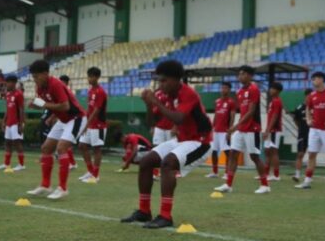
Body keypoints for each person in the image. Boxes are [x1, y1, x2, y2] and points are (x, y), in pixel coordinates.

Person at [121, 60, 212, 229]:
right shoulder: (163, 95)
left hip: (200, 142)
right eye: (159, 81)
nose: (160, 84)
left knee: (168, 163)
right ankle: (144, 211)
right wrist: (149, 105)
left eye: (164, 81)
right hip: (181, 140)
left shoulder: (188, 94)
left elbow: (178, 118)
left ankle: (165, 215)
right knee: (147, 161)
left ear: (177, 80)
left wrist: (156, 102)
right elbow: (151, 122)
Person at [26, 60, 86, 200]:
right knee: (46, 148)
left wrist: (44, 105)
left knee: (61, 148)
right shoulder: (40, 88)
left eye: (37, 76)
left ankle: (62, 188)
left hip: (76, 118)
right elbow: (51, 104)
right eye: (33, 77)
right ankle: (46, 185)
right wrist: (42, 109)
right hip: (63, 120)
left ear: (46, 74)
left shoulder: (56, 84)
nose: (35, 80)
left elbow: (65, 106)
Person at [214, 65, 270, 194]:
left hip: (252, 128)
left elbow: (251, 112)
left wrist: (235, 126)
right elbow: (243, 111)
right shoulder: (239, 92)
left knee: (254, 157)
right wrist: (238, 127)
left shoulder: (254, 89)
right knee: (233, 154)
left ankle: (265, 185)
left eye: (244, 74)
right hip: (242, 129)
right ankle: (228, 184)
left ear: (250, 76)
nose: (240, 76)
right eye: (239, 74)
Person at [295, 71, 325, 190]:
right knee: (312, 154)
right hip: (314, 130)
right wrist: (308, 119)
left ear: (322, 79)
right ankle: (307, 181)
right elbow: (308, 108)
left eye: (315, 79)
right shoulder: (312, 95)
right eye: (312, 79)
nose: (313, 81)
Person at [78, 67, 108, 184]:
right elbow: (89, 109)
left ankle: (95, 176)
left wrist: (86, 124)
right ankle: (90, 171)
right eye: (88, 76)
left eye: (91, 76)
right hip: (90, 124)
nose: (89, 79)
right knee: (82, 145)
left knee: (97, 149)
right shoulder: (90, 91)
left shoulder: (101, 92)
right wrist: (85, 122)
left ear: (97, 77)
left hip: (99, 125)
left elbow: (96, 110)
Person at [207, 81, 236, 179]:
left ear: (229, 90)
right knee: (214, 151)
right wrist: (212, 128)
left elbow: (232, 117)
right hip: (216, 131)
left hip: (225, 131)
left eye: (225, 88)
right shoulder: (217, 101)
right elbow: (216, 115)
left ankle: (227, 173)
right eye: (222, 88)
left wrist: (230, 130)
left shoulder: (231, 102)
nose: (223, 90)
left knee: (227, 152)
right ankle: (214, 172)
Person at [0, 75, 26, 171]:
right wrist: (3, 121)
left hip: (16, 123)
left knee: (17, 143)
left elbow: (21, 110)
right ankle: (6, 164)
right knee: (7, 143)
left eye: (8, 82)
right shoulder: (8, 94)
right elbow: (7, 109)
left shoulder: (19, 94)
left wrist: (21, 124)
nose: (6, 85)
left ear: (14, 83)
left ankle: (21, 164)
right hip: (9, 123)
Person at [264, 82, 284, 182]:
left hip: (275, 130)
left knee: (274, 151)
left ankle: (276, 175)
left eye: (273, 89)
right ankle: (266, 174)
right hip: (270, 129)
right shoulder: (273, 101)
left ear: (278, 91)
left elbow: (275, 117)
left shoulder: (277, 101)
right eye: (270, 88)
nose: (270, 90)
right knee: (267, 151)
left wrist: (267, 130)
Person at [291, 88, 312, 182]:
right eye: (309, 96)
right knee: (300, 154)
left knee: (312, 155)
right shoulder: (299, 108)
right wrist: (300, 128)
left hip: (312, 134)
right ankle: (297, 175)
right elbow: (295, 119)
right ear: (306, 96)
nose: (310, 98)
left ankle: (309, 176)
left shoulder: (315, 107)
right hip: (302, 134)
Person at [59, 75, 78, 170]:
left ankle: (72, 163)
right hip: (64, 119)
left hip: (71, 119)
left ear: (66, 83)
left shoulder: (69, 92)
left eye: (63, 82)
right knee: (64, 144)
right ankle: (71, 162)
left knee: (66, 144)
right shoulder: (61, 92)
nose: (61, 83)